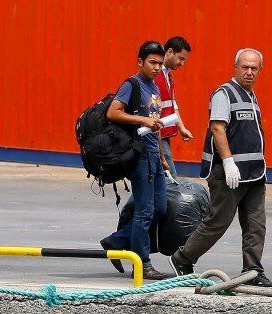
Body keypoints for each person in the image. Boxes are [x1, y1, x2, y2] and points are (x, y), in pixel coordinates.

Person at [169, 49, 272, 289]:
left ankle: (253, 270)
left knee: (255, 224)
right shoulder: (224, 94)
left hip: (254, 174)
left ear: (260, 70)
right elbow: (218, 128)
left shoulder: (251, 96)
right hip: (229, 174)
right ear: (235, 66)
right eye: (244, 67)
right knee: (218, 222)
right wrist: (228, 163)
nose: (249, 72)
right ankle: (182, 258)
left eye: (254, 68)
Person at [100, 41, 170, 280]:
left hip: (153, 156)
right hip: (139, 156)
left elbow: (156, 125)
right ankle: (143, 264)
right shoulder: (132, 85)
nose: (157, 67)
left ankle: (115, 241)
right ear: (140, 62)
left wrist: (162, 157)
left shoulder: (155, 88)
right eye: (152, 62)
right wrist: (141, 120)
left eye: (160, 63)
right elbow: (113, 112)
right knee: (145, 211)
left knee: (160, 208)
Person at [155, 36, 193, 179]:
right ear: (169, 51)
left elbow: (172, 104)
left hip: (162, 134)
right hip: (156, 135)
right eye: (181, 58)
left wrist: (181, 127)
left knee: (158, 178)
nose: (182, 63)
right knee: (170, 178)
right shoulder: (156, 75)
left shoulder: (168, 75)